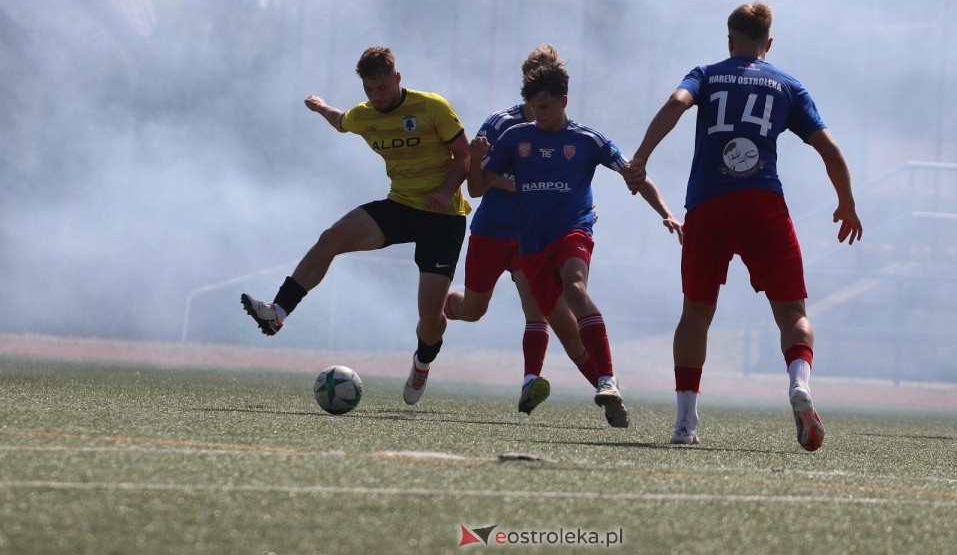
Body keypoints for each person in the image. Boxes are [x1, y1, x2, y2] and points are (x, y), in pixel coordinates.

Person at [624, 2, 862, 451]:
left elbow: (677, 103)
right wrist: (846, 204)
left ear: (729, 40)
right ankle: (799, 385)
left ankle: (684, 423)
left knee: (696, 312)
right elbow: (830, 149)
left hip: (708, 205)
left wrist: (641, 157)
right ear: (768, 43)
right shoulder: (787, 85)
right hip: (762, 203)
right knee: (793, 313)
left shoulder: (707, 74)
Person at [240, 46, 471, 406]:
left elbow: (466, 155)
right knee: (330, 238)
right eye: (369, 90)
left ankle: (422, 362)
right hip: (401, 206)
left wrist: (445, 191)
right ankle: (277, 312)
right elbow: (341, 119)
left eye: (382, 88)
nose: (376, 97)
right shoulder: (365, 115)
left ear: (397, 78)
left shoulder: (432, 107)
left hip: (443, 218)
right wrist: (320, 107)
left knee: (429, 316)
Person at [478, 44, 683, 428]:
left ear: (563, 101)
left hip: (574, 231)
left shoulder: (588, 139)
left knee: (575, 287)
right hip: (533, 246)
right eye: (534, 107)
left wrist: (667, 214)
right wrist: (476, 159)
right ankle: (611, 394)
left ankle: (606, 376)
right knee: (570, 340)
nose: (538, 115)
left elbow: (633, 174)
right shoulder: (515, 138)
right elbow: (476, 187)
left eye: (545, 107)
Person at [443, 59, 603, 417]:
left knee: (539, 310)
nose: (541, 102)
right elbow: (477, 171)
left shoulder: (564, 130)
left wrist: (584, 209)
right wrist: (510, 181)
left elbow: (572, 176)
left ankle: (533, 380)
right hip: (491, 231)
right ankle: (442, 307)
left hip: (531, 236)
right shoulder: (503, 124)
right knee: (473, 310)